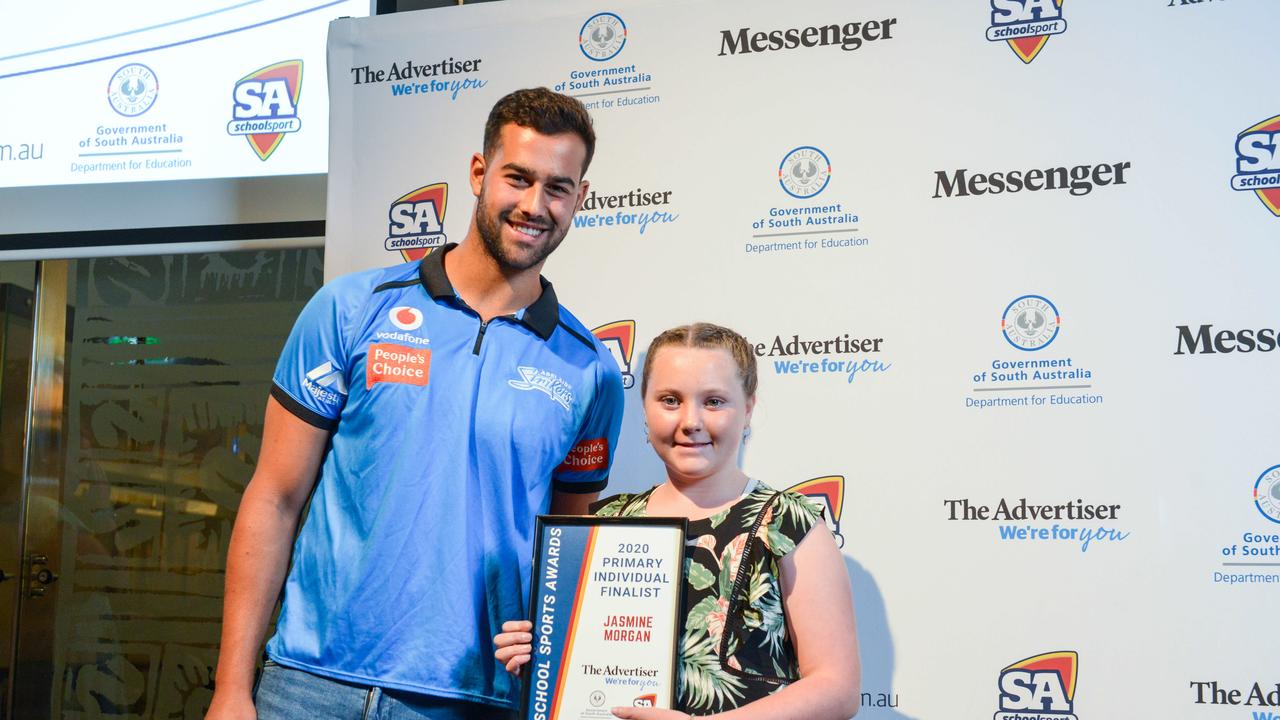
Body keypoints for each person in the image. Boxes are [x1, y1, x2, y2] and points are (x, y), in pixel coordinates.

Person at [207, 88, 625, 720]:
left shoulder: (588, 366)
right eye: (518, 178)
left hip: (474, 701)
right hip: (310, 685)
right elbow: (274, 497)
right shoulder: (351, 309)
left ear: (580, 199)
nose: (535, 205)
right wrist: (231, 690)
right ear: (480, 175)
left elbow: (570, 548)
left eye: (558, 188)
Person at [494, 323, 860, 719]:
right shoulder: (603, 524)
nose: (691, 420)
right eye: (670, 400)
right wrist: (539, 657)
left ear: (749, 408)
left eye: (715, 401)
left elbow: (836, 689)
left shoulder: (789, 525)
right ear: (646, 409)